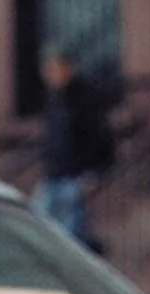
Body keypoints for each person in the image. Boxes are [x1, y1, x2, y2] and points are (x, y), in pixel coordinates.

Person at [29, 49, 115, 250]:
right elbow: (52, 138)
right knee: (38, 223)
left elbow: (101, 137)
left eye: (58, 69)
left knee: (70, 232)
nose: (53, 75)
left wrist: (96, 172)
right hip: (53, 173)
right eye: (49, 70)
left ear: (69, 69)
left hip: (75, 175)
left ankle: (86, 256)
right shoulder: (54, 99)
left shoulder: (85, 99)